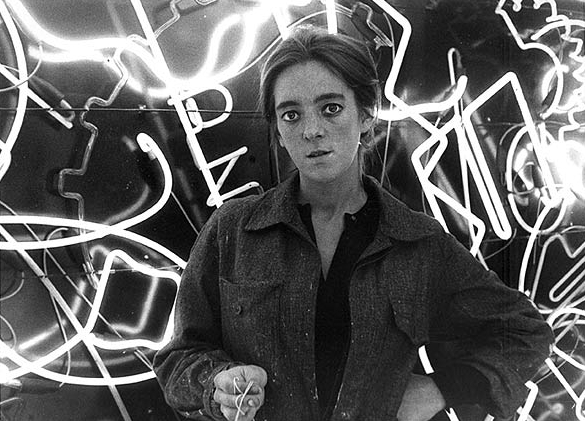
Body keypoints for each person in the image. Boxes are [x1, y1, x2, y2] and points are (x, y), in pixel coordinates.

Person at [153, 25, 554, 421]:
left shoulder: (418, 244)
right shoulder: (233, 232)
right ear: (277, 131)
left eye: (331, 108)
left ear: (365, 114)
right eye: (291, 115)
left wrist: (442, 388)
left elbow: (525, 332)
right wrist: (216, 383)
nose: (312, 130)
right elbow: (178, 358)